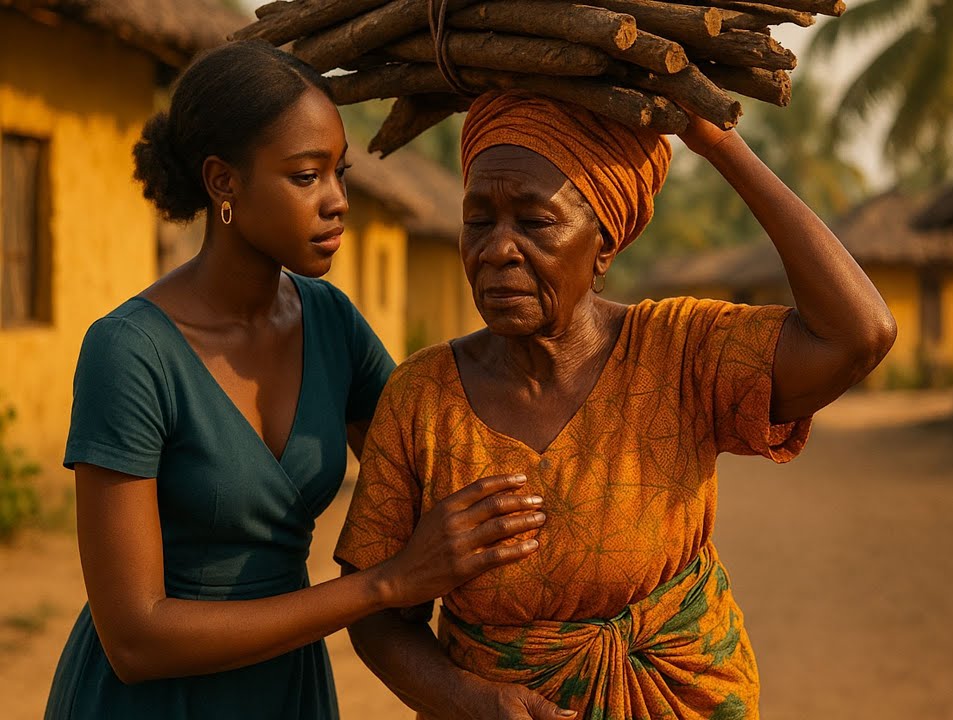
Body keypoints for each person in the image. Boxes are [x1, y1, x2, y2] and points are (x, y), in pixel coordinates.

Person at [334, 90, 898, 720]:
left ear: (604, 244)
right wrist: (467, 699)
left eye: (534, 221)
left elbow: (859, 334)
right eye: (478, 221)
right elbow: (380, 615)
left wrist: (719, 143)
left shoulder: (680, 353)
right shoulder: (422, 399)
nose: (497, 249)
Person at [45, 42, 545, 720]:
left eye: (338, 173)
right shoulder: (130, 353)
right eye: (306, 177)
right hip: (153, 701)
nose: (338, 201)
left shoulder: (330, 322)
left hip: (285, 689)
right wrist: (384, 585)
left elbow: (434, 466)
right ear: (224, 182)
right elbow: (135, 638)